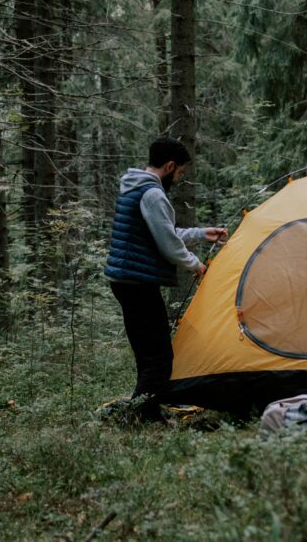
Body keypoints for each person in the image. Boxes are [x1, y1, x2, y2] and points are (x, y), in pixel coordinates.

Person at [104, 136, 227, 422]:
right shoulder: (153, 194)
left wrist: (201, 233)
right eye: (180, 172)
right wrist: (196, 265)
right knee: (159, 357)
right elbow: (169, 245)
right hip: (137, 283)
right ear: (170, 166)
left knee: (149, 353)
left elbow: (161, 234)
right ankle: (141, 417)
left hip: (126, 280)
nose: (179, 177)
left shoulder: (136, 187)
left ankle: (145, 411)